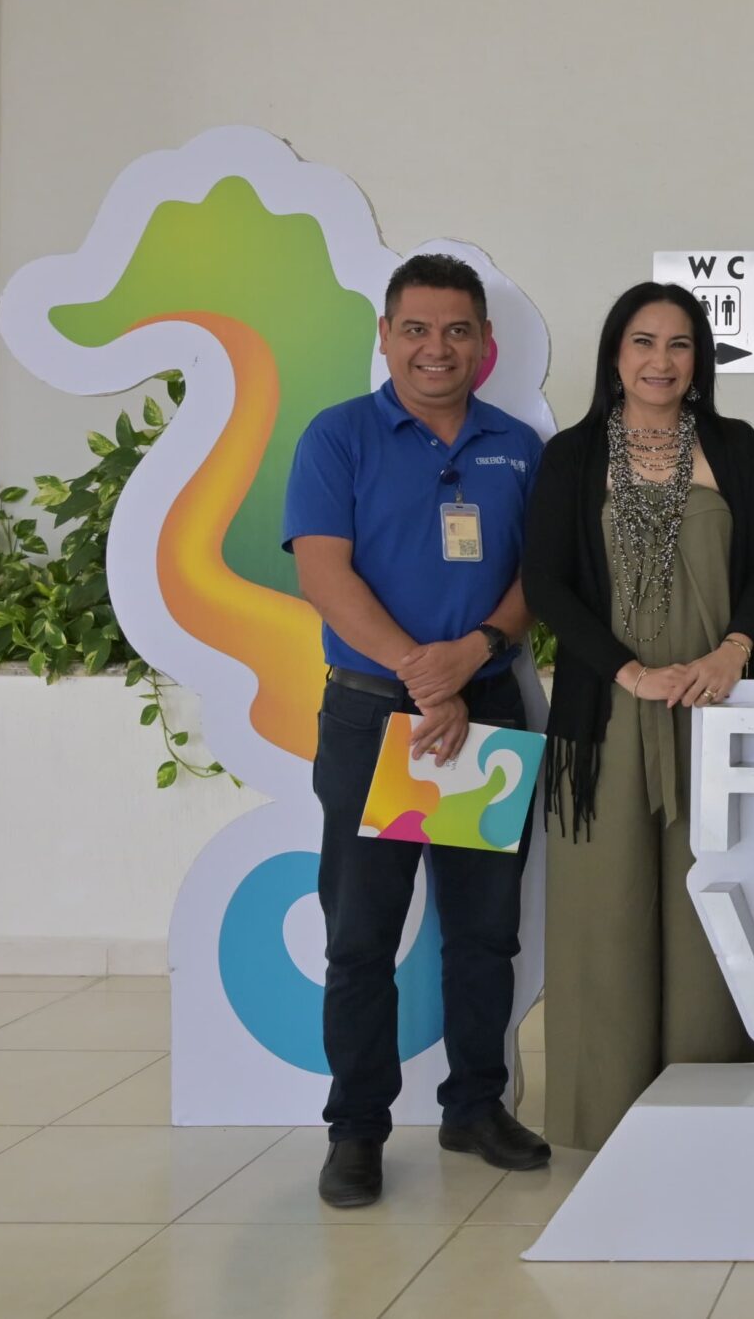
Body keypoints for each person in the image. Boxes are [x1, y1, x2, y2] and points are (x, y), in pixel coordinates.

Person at [282, 253, 548, 1208]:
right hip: (373, 715)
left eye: (457, 331)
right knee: (361, 936)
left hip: (486, 708)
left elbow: (537, 579)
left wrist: (472, 655)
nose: (438, 348)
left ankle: (475, 1107)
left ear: (485, 344)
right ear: (386, 337)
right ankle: (356, 1130)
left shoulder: (519, 447)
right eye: (418, 329)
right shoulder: (338, 436)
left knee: (483, 933)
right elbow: (324, 574)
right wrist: (422, 676)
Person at [521, 283, 754, 1151]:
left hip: (716, 713)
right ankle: (604, 1120)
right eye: (643, 342)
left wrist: (732, 651)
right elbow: (546, 582)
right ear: (615, 354)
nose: (661, 361)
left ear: (699, 359)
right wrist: (628, 671)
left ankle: (710, 1122)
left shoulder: (735, 447)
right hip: (606, 718)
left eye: (679, 344)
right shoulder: (571, 457)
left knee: (712, 913)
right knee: (607, 913)